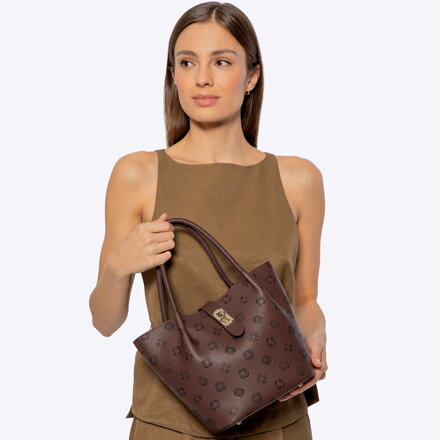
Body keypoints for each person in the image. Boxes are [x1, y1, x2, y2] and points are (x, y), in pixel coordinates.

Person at [88, 2, 327, 439]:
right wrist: (119, 267)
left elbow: (305, 299)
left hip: (277, 414)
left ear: (252, 76)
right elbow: (104, 322)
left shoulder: (298, 179)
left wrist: (316, 337)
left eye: (221, 61)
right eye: (187, 62)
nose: (202, 77)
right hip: (170, 421)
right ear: (173, 76)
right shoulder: (137, 174)